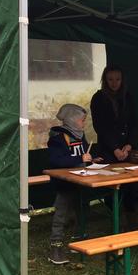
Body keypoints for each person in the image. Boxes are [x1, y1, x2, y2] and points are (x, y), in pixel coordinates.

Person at [90, 66, 138, 228]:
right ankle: (116, 223)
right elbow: (100, 126)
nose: (114, 83)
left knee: (132, 185)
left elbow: (135, 123)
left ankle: (133, 222)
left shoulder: (127, 97)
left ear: (122, 80)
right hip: (108, 150)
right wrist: (114, 148)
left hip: (127, 148)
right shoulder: (98, 98)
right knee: (112, 187)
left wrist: (128, 146)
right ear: (105, 81)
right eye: (110, 79)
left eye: (118, 79)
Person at [47, 104, 93, 265]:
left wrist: (91, 159)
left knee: (82, 208)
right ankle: (56, 247)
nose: (84, 124)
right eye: (82, 120)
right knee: (61, 214)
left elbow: (84, 152)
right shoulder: (58, 137)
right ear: (72, 120)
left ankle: (78, 239)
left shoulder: (80, 134)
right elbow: (56, 160)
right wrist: (80, 159)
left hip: (80, 180)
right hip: (64, 183)